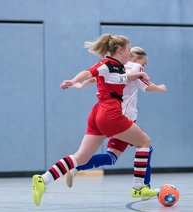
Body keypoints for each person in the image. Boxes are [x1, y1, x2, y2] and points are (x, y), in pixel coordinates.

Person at [32, 34, 158, 206]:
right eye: (129, 50)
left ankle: (43, 179)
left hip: (98, 113)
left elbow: (123, 79)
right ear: (120, 50)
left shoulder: (119, 67)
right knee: (144, 143)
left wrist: (137, 76)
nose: (130, 54)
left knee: (81, 158)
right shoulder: (106, 64)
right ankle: (138, 187)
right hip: (110, 114)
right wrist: (73, 80)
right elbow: (88, 72)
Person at [65, 47, 167, 194]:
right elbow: (147, 87)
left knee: (111, 157)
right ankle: (144, 187)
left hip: (110, 115)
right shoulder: (135, 67)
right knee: (146, 146)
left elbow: (95, 77)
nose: (143, 67)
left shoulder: (115, 67)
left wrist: (80, 85)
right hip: (122, 118)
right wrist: (160, 88)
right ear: (136, 58)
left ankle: (77, 167)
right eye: (144, 63)